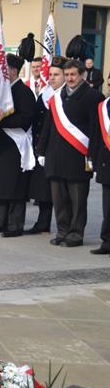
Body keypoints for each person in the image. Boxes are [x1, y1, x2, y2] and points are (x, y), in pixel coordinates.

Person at [37, 58, 103, 247]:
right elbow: (48, 127)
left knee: (77, 200)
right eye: (66, 75)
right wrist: (41, 150)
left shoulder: (93, 97)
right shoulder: (57, 97)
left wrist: (92, 157)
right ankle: (63, 231)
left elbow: (95, 131)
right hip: (55, 155)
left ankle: (76, 234)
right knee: (59, 199)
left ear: (81, 75)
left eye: (73, 74)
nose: (70, 78)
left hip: (78, 156)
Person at [0, 53, 36, 237]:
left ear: (13, 71)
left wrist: (1, 122)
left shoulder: (24, 92)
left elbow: (26, 118)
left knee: (15, 187)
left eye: (4, 70)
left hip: (15, 146)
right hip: (0, 145)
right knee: (0, 185)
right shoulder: (0, 91)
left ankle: (15, 225)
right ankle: (1, 221)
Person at [25, 56, 62, 235]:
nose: (51, 77)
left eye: (55, 74)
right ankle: (43, 221)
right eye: (50, 74)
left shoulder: (60, 95)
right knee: (42, 189)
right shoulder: (46, 93)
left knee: (55, 190)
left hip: (54, 147)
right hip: (40, 144)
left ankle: (64, 226)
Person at [92, 73, 110, 256]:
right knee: (107, 205)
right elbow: (97, 136)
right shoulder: (104, 107)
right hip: (107, 161)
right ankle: (107, 241)